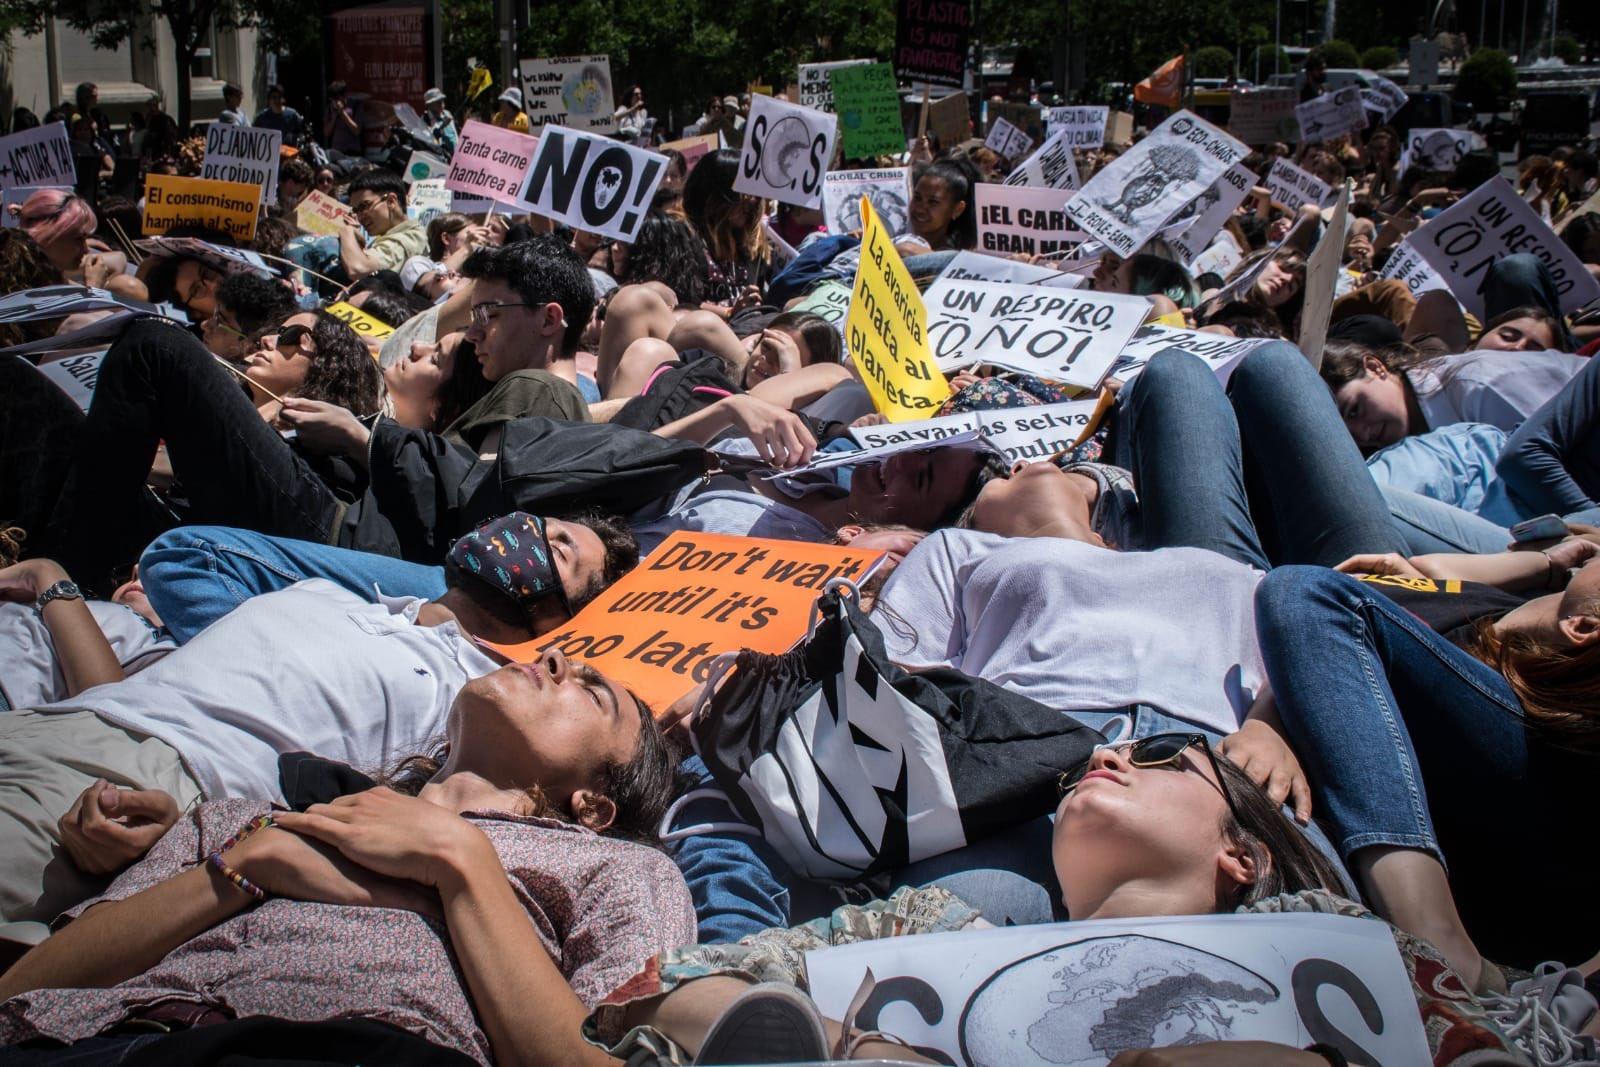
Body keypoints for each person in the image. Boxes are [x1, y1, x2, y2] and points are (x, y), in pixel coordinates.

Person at [0, 649, 691, 1067]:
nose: (555, 661)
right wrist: (248, 868)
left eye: (590, 690)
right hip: (99, 1042)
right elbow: (25, 988)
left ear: (594, 805)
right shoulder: (248, 819)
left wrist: (461, 863)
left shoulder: (621, 870)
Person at [0, 509, 637, 926]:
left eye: (557, 548)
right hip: (55, 722)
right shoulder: (324, 592)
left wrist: (181, 841)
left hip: (134, 781)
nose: (523, 533)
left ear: (563, 619)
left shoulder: (478, 698)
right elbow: (189, 565)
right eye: (532, 520)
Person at [590, 733, 1355, 1064]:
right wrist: (868, 1050)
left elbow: (1471, 1031)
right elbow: (653, 989)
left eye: (1165, 757)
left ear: (1241, 856)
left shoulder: (1327, 937)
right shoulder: (929, 925)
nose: (1111, 754)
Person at [1322, 327, 1586, 453]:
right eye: (1347, 433)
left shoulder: (1479, 385)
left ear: (1374, 367)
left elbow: (1571, 451)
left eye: (1354, 410)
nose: (1361, 433)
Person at [681, 150, 772, 306]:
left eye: (754, 191)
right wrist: (730, 312)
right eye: (742, 192)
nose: (752, 200)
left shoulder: (752, 246)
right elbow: (680, 303)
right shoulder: (683, 240)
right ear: (713, 194)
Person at [339, 169, 429, 278]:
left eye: (364, 206)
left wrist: (346, 231)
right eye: (356, 211)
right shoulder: (392, 235)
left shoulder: (407, 240)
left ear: (391, 201)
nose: (360, 216)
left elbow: (358, 268)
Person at [908, 158, 979, 251]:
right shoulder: (894, 238)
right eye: (917, 198)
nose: (920, 209)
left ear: (958, 210)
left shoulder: (962, 260)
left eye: (933, 202)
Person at [324, 81, 363, 155]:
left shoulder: (355, 105)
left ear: (344, 95)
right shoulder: (330, 108)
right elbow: (326, 133)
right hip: (337, 150)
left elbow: (357, 130)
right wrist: (334, 116)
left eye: (337, 98)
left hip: (352, 151)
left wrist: (342, 112)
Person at [423, 87, 458, 155]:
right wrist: (441, 127)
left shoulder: (447, 114)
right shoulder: (425, 120)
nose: (441, 103)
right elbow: (429, 143)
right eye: (437, 102)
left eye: (442, 100)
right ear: (429, 105)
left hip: (455, 157)